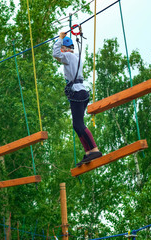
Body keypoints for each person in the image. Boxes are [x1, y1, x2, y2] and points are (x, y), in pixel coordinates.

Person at [53, 32, 102, 166]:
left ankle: (94, 149)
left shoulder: (68, 56)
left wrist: (60, 38)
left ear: (65, 48)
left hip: (77, 93)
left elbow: (55, 53)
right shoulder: (76, 56)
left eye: (62, 48)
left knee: (79, 124)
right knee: (77, 125)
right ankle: (88, 152)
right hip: (81, 92)